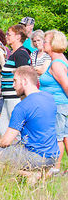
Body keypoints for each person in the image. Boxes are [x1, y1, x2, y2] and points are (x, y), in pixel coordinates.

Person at [0, 66, 60, 172]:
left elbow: (6, 141)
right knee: (16, 148)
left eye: (15, 81)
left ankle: (30, 175)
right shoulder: (49, 98)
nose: (13, 85)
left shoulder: (22, 107)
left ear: (24, 81)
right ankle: (41, 173)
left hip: (35, 157)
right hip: (53, 157)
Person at [39, 30, 68, 172]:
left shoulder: (56, 64)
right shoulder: (59, 60)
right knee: (65, 136)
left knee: (57, 138)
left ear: (53, 44)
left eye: (45, 41)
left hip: (58, 105)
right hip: (59, 105)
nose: (43, 43)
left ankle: (55, 169)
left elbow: (66, 85)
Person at [0, 24, 31, 136]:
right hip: (8, 97)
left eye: (9, 34)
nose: (6, 36)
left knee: (15, 130)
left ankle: (20, 151)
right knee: (2, 127)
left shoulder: (21, 53)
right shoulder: (13, 53)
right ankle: (9, 151)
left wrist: (23, 97)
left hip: (15, 98)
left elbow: (25, 76)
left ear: (18, 37)